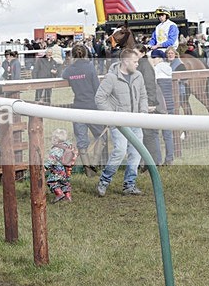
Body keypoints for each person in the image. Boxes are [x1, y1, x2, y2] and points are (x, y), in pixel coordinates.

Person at [94, 49, 148, 197]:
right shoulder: (111, 78)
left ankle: (129, 185)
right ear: (125, 61)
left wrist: (143, 112)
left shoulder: (138, 76)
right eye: (135, 62)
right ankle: (104, 181)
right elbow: (100, 98)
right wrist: (113, 115)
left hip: (136, 121)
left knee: (136, 153)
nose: (137, 64)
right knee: (120, 150)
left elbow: (143, 95)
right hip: (118, 123)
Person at [61, 44, 104, 175]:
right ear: (85, 54)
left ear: (73, 56)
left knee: (82, 140)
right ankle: (95, 162)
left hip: (78, 107)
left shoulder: (70, 70)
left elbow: (63, 75)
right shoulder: (90, 67)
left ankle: (88, 169)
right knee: (101, 135)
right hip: (92, 107)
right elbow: (97, 87)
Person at [134, 44, 164, 165]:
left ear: (142, 53)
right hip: (145, 103)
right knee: (148, 134)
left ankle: (154, 162)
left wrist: (150, 103)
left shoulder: (144, 65)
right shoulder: (142, 64)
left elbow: (150, 84)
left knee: (149, 134)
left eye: (136, 53)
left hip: (148, 103)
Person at [150, 49, 175, 165]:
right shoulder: (169, 69)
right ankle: (169, 158)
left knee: (154, 133)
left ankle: (157, 160)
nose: (152, 60)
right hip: (170, 104)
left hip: (160, 105)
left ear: (159, 58)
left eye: (154, 58)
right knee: (168, 134)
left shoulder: (155, 71)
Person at [45, 128, 76, 203]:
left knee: (52, 182)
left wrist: (45, 167)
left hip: (58, 171)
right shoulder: (68, 146)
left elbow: (51, 160)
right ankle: (68, 197)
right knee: (65, 183)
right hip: (67, 170)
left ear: (56, 139)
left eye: (53, 138)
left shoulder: (55, 150)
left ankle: (59, 194)